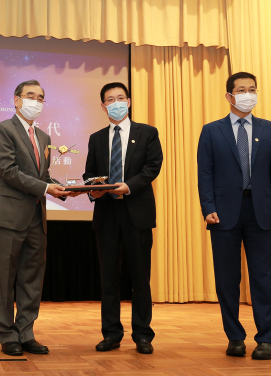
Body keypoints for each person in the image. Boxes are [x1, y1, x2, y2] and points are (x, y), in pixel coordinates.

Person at [197, 72, 271, 360]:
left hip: (260, 211)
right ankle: (235, 337)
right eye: (241, 90)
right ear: (229, 96)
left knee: (263, 277)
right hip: (223, 214)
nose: (247, 94)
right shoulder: (211, 131)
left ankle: (266, 338)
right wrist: (208, 206)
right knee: (227, 279)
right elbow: (205, 173)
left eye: (252, 89)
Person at [83, 82, 163, 354]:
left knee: (140, 277)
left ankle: (143, 334)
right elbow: (89, 174)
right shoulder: (96, 138)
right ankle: (111, 333)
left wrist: (128, 185)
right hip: (107, 214)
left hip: (137, 212)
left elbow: (153, 167)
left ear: (128, 102)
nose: (115, 102)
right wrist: (94, 188)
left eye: (120, 98)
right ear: (103, 106)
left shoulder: (147, 133)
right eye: (109, 99)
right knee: (109, 279)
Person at [0, 79, 67, 356]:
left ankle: (26, 332)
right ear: (17, 100)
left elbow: (41, 177)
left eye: (41, 97)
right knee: (6, 279)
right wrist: (46, 187)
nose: (36, 101)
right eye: (30, 95)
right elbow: (8, 171)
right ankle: (7, 335)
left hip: (36, 216)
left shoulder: (44, 137)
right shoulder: (3, 130)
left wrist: (64, 187)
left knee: (32, 278)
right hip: (8, 216)